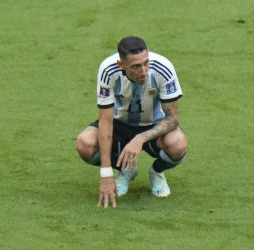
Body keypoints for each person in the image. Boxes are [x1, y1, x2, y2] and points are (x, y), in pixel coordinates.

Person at [75, 36, 187, 207]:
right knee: (85, 143)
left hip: (153, 125)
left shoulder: (162, 68)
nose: (143, 70)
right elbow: (105, 121)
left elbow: (173, 119)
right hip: (119, 125)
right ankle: (126, 170)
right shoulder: (108, 71)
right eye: (136, 66)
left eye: (145, 63)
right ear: (122, 65)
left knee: (178, 143)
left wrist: (140, 138)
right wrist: (106, 175)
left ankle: (157, 172)